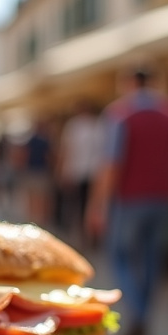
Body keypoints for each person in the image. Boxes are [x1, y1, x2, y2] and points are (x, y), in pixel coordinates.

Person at [86, 65, 168, 335]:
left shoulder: (120, 114)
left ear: (130, 82)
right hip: (162, 198)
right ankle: (144, 313)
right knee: (151, 259)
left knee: (120, 255)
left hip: (129, 199)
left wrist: (98, 205)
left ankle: (138, 312)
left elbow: (111, 164)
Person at [56, 100, 104, 243]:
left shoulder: (74, 126)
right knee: (89, 204)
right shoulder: (98, 125)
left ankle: (83, 235)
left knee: (78, 205)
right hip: (94, 172)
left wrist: (62, 171)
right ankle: (88, 235)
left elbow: (67, 150)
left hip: (78, 171)